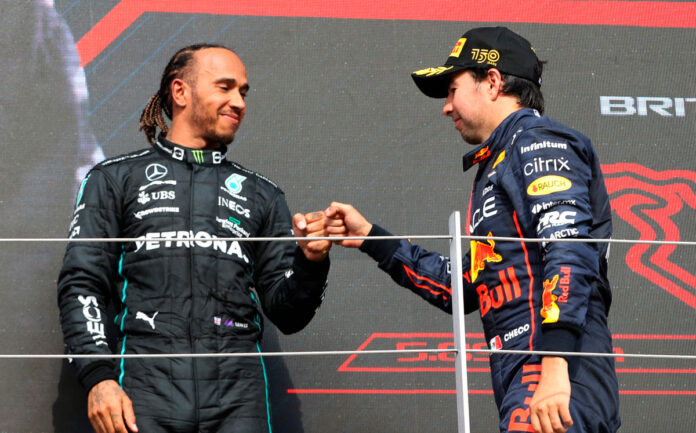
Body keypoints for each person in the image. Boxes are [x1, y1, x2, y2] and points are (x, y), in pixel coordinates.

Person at [326, 27, 620, 433]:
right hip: (530, 368)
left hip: (555, 368)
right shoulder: (501, 159)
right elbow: (462, 285)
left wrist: (555, 366)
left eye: (452, 90)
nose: (446, 107)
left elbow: (569, 248)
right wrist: (371, 238)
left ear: (493, 82)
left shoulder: (537, 141)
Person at [57, 43, 332, 433]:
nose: (239, 102)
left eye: (243, 92)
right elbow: (82, 283)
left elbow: (289, 314)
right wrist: (98, 376)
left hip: (238, 399)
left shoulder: (262, 195)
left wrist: (311, 262)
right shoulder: (115, 179)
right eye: (225, 87)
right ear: (180, 91)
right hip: (143, 393)